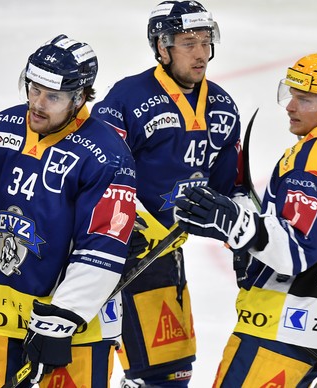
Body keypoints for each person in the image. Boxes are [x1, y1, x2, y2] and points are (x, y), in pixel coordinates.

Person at [174, 53, 317, 386]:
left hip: (283, 325)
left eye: (304, 99)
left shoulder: (313, 160)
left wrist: (233, 222)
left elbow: (295, 252)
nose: (290, 106)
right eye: (290, 94)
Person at [0, 34, 137, 387]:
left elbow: (102, 247)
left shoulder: (108, 155)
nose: (37, 104)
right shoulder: (2, 129)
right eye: (34, 89)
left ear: (81, 96)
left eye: (52, 96)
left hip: (71, 334)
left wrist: (61, 319)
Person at [91, 1, 244, 386]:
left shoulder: (223, 105)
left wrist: (244, 242)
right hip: (106, 249)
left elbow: (229, 191)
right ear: (162, 46)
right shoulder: (127, 97)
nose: (201, 53)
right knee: (81, 368)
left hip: (163, 254)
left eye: (205, 41)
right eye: (188, 42)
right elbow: (97, 174)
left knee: (168, 376)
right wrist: (126, 228)